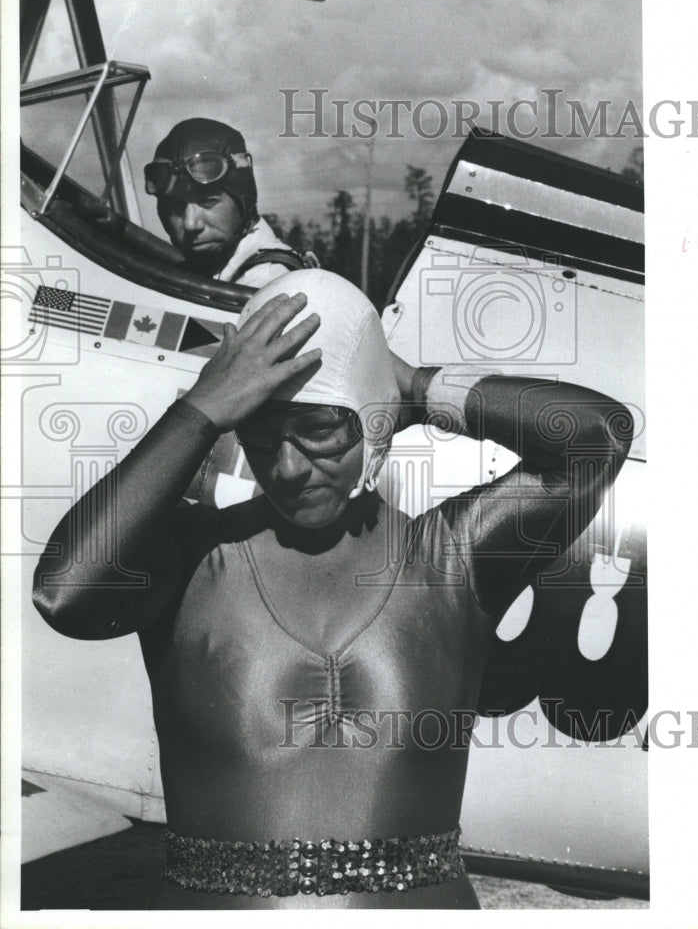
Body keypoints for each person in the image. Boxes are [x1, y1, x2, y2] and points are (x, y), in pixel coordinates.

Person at [32, 270, 633, 910]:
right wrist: (200, 410)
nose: (288, 467)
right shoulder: (192, 555)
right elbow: (66, 594)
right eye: (260, 433)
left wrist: (415, 386)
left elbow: (596, 437)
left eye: (320, 428)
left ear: (375, 420)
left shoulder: (454, 558)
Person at [144, 118, 318, 287]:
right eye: (176, 208)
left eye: (207, 202)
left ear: (244, 202)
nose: (191, 224)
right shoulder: (217, 269)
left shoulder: (266, 281)